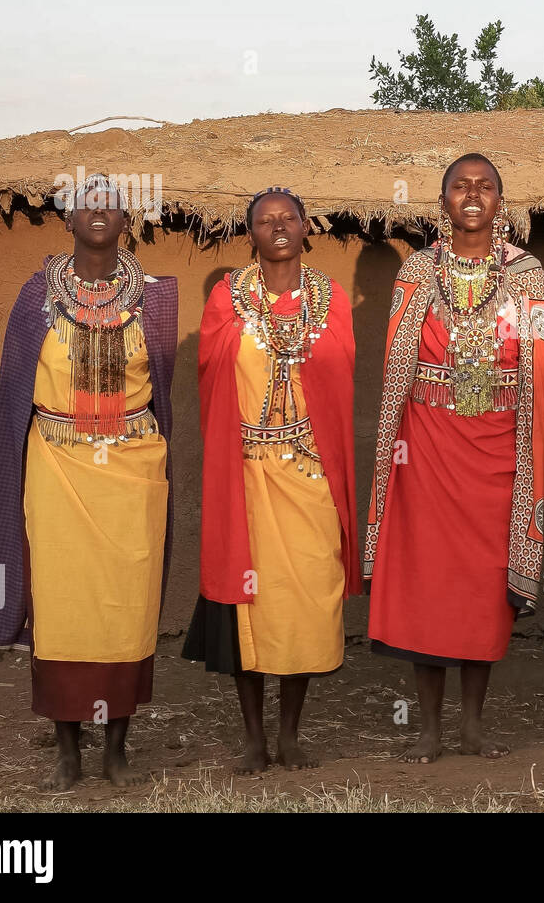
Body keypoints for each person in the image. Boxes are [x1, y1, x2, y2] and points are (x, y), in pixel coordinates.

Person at [0, 173, 177, 790]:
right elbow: (13, 398)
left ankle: (116, 749)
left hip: (133, 466)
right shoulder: (35, 298)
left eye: (112, 205)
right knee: (62, 608)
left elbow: (162, 388)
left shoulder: (155, 300)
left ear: (129, 221)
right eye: (88, 205)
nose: (99, 213)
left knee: (126, 608)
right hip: (56, 466)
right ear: (69, 221)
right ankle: (66, 749)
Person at [364, 154, 544, 763]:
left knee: (480, 589)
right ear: (442, 199)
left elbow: (539, 371)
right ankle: (428, 727)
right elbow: (397, 365)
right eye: (459, 186)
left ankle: (473, 725)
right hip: (425, 448)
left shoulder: (527, 275)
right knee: (429, 586)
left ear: (501, 200)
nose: (472, 195)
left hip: (498, 451)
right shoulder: (418, 271)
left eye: (485, 187)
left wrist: (530, 448)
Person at [182, 186, 358, 771]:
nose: (278, 227)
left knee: (306, 601)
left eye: (288, 218)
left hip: (308, 474)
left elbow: (339, 372)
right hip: (248, 475)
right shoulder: (226, 298)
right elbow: (211, 368)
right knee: (249, 608)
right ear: (250, 233)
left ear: (307, 227)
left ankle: (290, 734)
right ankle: (254, 738)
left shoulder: (329, 298)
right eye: (265, 220)